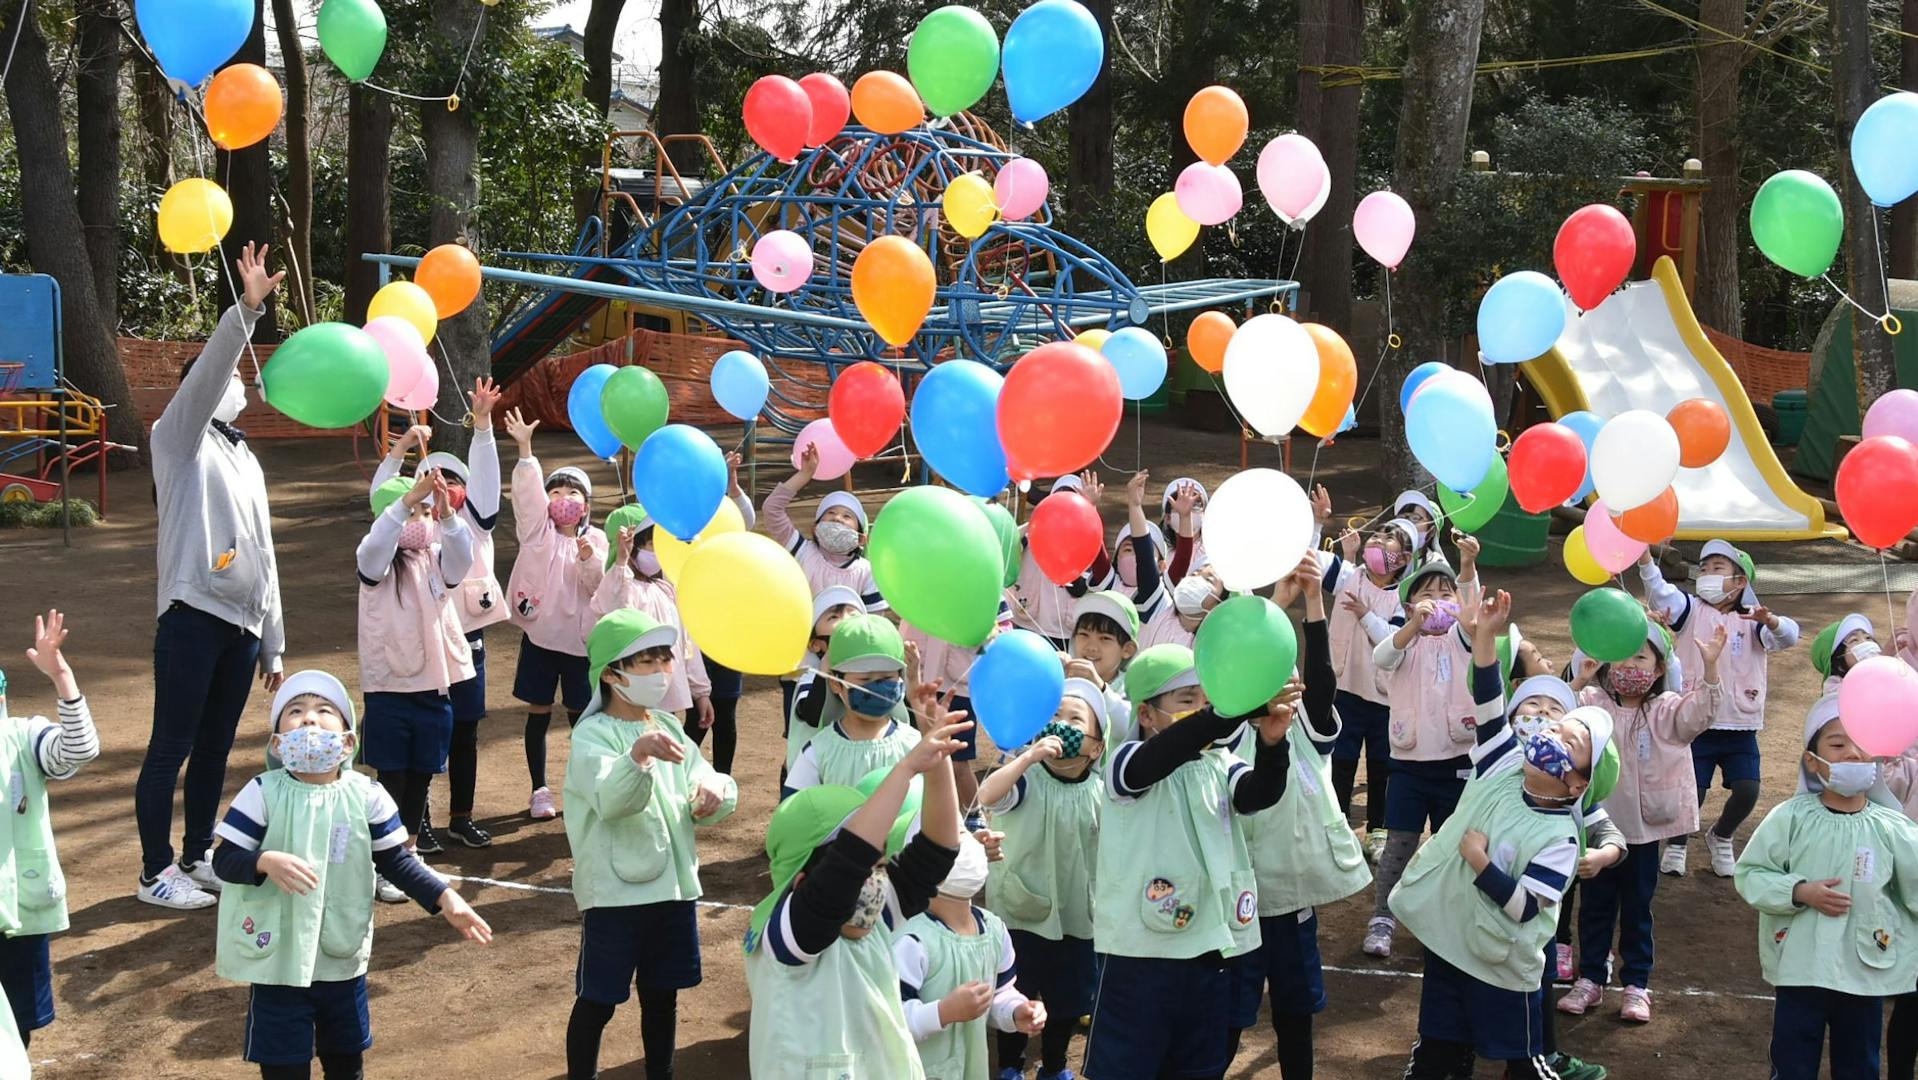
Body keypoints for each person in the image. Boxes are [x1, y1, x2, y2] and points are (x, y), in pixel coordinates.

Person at [211, 671, 492, 1079]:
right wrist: (263, 861)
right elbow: (225, 860)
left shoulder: (368, 795)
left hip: (340, 959)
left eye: (324, 710)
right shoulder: (261, 792)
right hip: (278, 965)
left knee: (345, 1063)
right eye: (295, 711)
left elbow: (396, 861)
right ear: (276, 743)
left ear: (348, 742)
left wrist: (445, 897)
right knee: (283, 1067)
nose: (309, 718)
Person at [1388, 590, 1617, 1080]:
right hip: (1451, 941)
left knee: (1526, 1065)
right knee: (1437, 1055)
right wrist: (1487, 637)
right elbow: (1490, 701)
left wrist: (1480, 861)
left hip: (1501, 964)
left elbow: (1526, 907)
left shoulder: (1561, 839)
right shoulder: (1502, 762)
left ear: (1578, 784)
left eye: (1570, 741)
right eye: (1556, 730)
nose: (1551, 734)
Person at [139, 241, 289, 911]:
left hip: (243, 627)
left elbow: (265, 551)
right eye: (228, 376)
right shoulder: (177, 438)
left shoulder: (245, 459)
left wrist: (272, 641)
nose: (240, 385)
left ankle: (197, 856)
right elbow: (207, 380)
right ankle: (154, 872)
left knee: (214, 749)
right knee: (171, 745)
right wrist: (246, 311)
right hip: (193, 614)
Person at [1081, 644, 1296, 1080]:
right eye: (1187, 700)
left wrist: (1272, 744)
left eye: (1206, 699)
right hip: (1140, 955)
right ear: (1146, 714)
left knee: (1197, 1066)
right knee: (1126, 1068)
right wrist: (1226, 713)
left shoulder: (1220, 763)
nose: (1201, 710)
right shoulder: (1124, 763)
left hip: (1209, 948)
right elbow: (1169, 751)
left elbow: (1259, 794)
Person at [743, 690, 972, 1079]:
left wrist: (937, 762)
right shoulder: (788, 933)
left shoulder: (873, 920)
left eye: (879, 863)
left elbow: (938, 851)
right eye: (864, 869)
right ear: (803, 882)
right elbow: (846, 865)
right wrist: (905, 770)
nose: (875, 880)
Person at [563, 609, 738, 1080]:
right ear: (611, 674)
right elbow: (612, 800)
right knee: (598, 1000)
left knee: (663, 995)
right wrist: (637, 756)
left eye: (665, 658)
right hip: (614, 896)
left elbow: (704, 775)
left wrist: (713, 791)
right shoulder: (591, 735)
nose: (662, 670)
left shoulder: (667, 723)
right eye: (647, 660)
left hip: (672, 889)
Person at [1231, 556, 1370, 1080]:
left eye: (1288, 673)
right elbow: (1241, 657)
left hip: (1290, 900)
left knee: (1295, 1012)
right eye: (1269, 674)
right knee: (1229, 1015)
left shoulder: (1308, 734)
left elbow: (1322, 680)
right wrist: (1275, 604)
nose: (1285, 682)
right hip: (1235, 898)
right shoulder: (1227, 733)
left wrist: (1314, 601)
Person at [1734, 695, 1918, 1080]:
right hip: (1801, 969)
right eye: (1837, 744)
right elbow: (1751, 874)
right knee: (1793, 1064)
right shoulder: (1790, 819)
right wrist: (1799, 891)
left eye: (1861, 743)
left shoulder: (1893, 828)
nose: (1852, 753)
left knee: (1859, 1066)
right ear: (1812, 761)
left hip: (1866, 970)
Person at [1557, 621, 1724, 1023]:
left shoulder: (1668, 709)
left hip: (1645, 832)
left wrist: (1711, 667)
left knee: (1637, 908)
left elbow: (1701, 713)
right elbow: (1559, 712)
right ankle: (1590, 978)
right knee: (1594, 907)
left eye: (1641, 657)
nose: (1630, 665)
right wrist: (1579, 677)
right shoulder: (1593, 701)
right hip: (1599, 828)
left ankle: (1636, 984)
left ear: (1659, 667)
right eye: (1622, 656)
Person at [369, 378, 507, 850]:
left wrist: (483, 428)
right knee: (423, 738)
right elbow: (383, 499)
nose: (443, 485)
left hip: (464, 645)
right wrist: (399, 453)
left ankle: (461, 816)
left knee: (464, 731)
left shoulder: (473, 524)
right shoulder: (407, 534)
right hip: (420, 650)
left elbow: (485, 484)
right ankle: (419, 823)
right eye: (433, 478)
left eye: (452, 478)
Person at [1639, 541, 1799, 877]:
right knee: (1692, 791)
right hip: (1695, 722)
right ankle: (1678, 843)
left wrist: (1771, 621)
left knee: (1748, 790)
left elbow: (1788, 637)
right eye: (1704, 568)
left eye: (1717, 568)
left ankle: (1722, 835)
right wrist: (1644, 561)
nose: (1707, 574)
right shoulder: (1691, 610)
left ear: (1740, 581)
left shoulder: (1753, 619)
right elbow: (1660, 591)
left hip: (1741, 723)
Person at [977, 679, 1106, 1080]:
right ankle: (1010, 1065)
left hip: (1076, 915)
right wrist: (1027, 757)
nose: (1061, 724)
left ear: (1096, 747)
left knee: (1067, 998)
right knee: (1016, 991)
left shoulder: (1100, 790)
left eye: (1074, 719)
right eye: (1054, 716)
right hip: (1022, 910)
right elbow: (987, 795)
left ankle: (1055, 1065)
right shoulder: (1027, 780)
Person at [356, 467, 476, 900]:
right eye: (411, 512)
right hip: (389, 687)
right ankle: (383, 861)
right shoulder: (375, 563)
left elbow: (463, 558)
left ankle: (406, 854)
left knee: (423, 774)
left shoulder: (435, 558)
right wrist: (405, 501)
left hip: (433, 686)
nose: (419, 521)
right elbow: (375, 548)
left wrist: (447, 513)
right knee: (392, 777)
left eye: (426, 513)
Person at [1363, 537, 1482, 958]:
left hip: (1457, 764)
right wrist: (1413, 626)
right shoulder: (1402, 643)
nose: (1437, 601)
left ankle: (1448, 919)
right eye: (1426, 594)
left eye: (1445, 594)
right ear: (1409, 605)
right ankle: (1383, 918)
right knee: (1399, 846)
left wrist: (1466, 567)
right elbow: (1382, 657)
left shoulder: (1463, 639)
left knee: (1453, 847)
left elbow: (1472, 607)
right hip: (1408, 766)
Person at [0, 611, 100, 1050]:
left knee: (14, 1034)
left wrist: (61, 676)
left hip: (18, 915)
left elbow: (80, 748)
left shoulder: (23, 737)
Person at [503, 408, 606, 821]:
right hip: (541, 640)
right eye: (556, 492)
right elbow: (527, 498)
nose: (564, 499)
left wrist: (588, 558)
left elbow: (601, 588)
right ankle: (539, 789)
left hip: (580, 645)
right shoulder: (536, 533)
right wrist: (526, 449)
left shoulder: (597, 539)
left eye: (573, 493)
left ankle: (584, 788)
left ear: (586, 505)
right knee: (538, 711)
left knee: (582, 719)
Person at [895, 834, 1045, 1080]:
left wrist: (1016, 1010)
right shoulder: (912, 941)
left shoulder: (994, 930)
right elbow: (891, 1021)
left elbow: (999, 993)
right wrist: (943, 1012)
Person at [764, 443, 888, 718]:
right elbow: (772, 510)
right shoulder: (802, 550)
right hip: (798, 662)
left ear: (862, 537)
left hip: (850, 666)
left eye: (847, 516)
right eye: (830, 514)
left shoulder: (866, 571)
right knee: (801, 723)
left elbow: (874, 623)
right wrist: (805, 475)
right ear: (815, 526)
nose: (837, 519)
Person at [1324, 515, 1419, 861]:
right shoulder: (1351, 575)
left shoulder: (1403, 599)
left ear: (1404, 558)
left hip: (1383, 699)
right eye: (1375, 536)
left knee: (1381, 767)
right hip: (1344, 689)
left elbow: (1390, 641)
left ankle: (1377, 830)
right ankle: (1338, 827)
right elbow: (1315, 565)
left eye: (1387, 540)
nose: (1376, 542)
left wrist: (1365, 614)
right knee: (1341, 761)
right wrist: (1322, 527)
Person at [592, 505, 714, 732]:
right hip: (632, 700)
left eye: (660, 545)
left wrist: (701, 692)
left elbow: (686, 644)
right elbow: (614, 606)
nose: (656, 552)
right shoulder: (624, 585)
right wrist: (621, 560)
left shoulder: (666, 590)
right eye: (650, 544)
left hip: (666, 696)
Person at [784, 615, 922, 796]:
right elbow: (795, 805)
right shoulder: (820, 751)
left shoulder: (914, 743)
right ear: (836, 683)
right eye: (865, 679)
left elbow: (935, 800)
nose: (877, 687)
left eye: (887, 677)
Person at [686, 451, 758, 775]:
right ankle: (680, 776)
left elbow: (747, 519)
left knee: (726, 711)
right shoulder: (684, 517)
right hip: (695, 630)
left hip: (730, 632)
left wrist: (732, 483)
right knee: (696, 714)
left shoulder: (729, 516)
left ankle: (723, 779)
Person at [1011, 473, 1111, 650]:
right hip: (1025, 623)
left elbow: (1081, 588)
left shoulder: (1085, 543)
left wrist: (1090, 511)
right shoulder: (1031, 533)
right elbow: (1006, 549)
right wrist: (1035, 525)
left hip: (1063, 633)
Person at [785, 587, 869, 781]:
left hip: (851, 774)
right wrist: (826, 669)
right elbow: (812, 715)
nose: (846, 620)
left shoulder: (870, 677)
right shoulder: (809, 678)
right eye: (834, 617)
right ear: (815, 644)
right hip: (811, 777)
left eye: (853, 614)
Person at [1809, 613, 1880, 695]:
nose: (1865, 643)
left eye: (1868, 637)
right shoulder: (1834, 687)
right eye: (1854, 640)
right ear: (1837, 658)